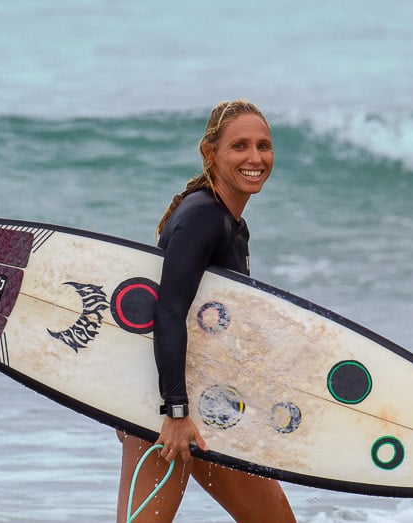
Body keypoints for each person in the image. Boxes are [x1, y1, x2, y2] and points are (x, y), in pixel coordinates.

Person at [116, 99, 296, 523]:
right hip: (165, 413)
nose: (255, 158)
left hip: (207, 410)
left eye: (264, 146)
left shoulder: (230, 223)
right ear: (210, 153)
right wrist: (175, 413)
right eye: (240, 146)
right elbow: (168, 311)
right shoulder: (202, 216)